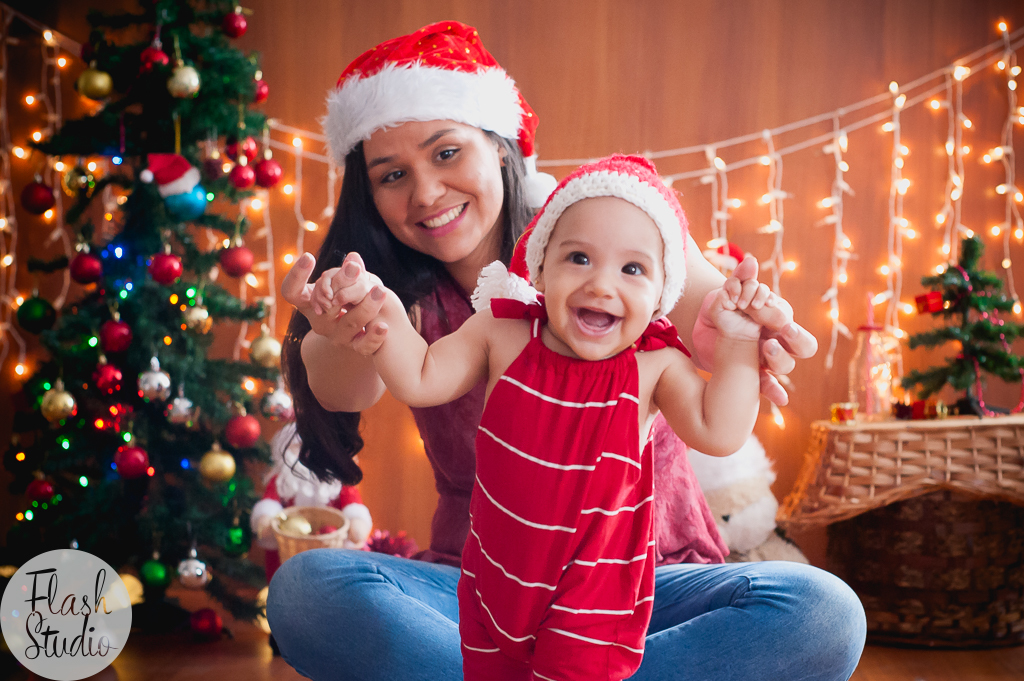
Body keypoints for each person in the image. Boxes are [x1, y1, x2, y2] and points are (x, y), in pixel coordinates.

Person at [269, 20, 865, 681]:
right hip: (490, 596)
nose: (426, 193)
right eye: (392, 175)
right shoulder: (469, 317)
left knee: (824, 612)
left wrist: (748, 329)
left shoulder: (604, 220)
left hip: (647, 579)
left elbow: (711, 319)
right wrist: (352, 318)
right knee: (305, 590)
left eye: (446, 153)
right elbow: (352, 384)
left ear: (500, 146)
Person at [345, 154, 764, 680]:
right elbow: (421, 376)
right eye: (579, 258)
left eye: (632, 269)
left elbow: (720, 433)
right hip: (492, 581)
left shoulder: (654, 367)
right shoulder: (501, 332)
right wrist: (380, 307)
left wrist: (741, 343)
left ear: (662, 295)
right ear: (540, 266)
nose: (601, 285)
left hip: (592, 594)